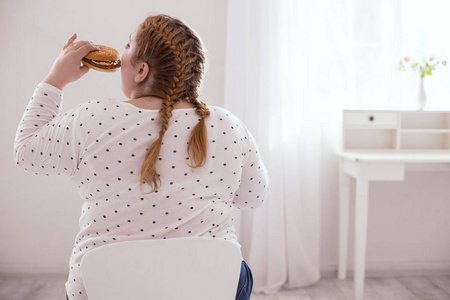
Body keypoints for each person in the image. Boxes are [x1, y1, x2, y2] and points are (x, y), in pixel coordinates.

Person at [14, 14, 269, 300]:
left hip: (105, 289)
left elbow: (26, 151)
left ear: (141, 71)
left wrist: (56, 79)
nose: (121, 54)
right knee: (238, 272)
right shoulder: (227, 125)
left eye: (127, 45)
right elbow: (254, 197)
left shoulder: (91, 118)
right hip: (209, 288)